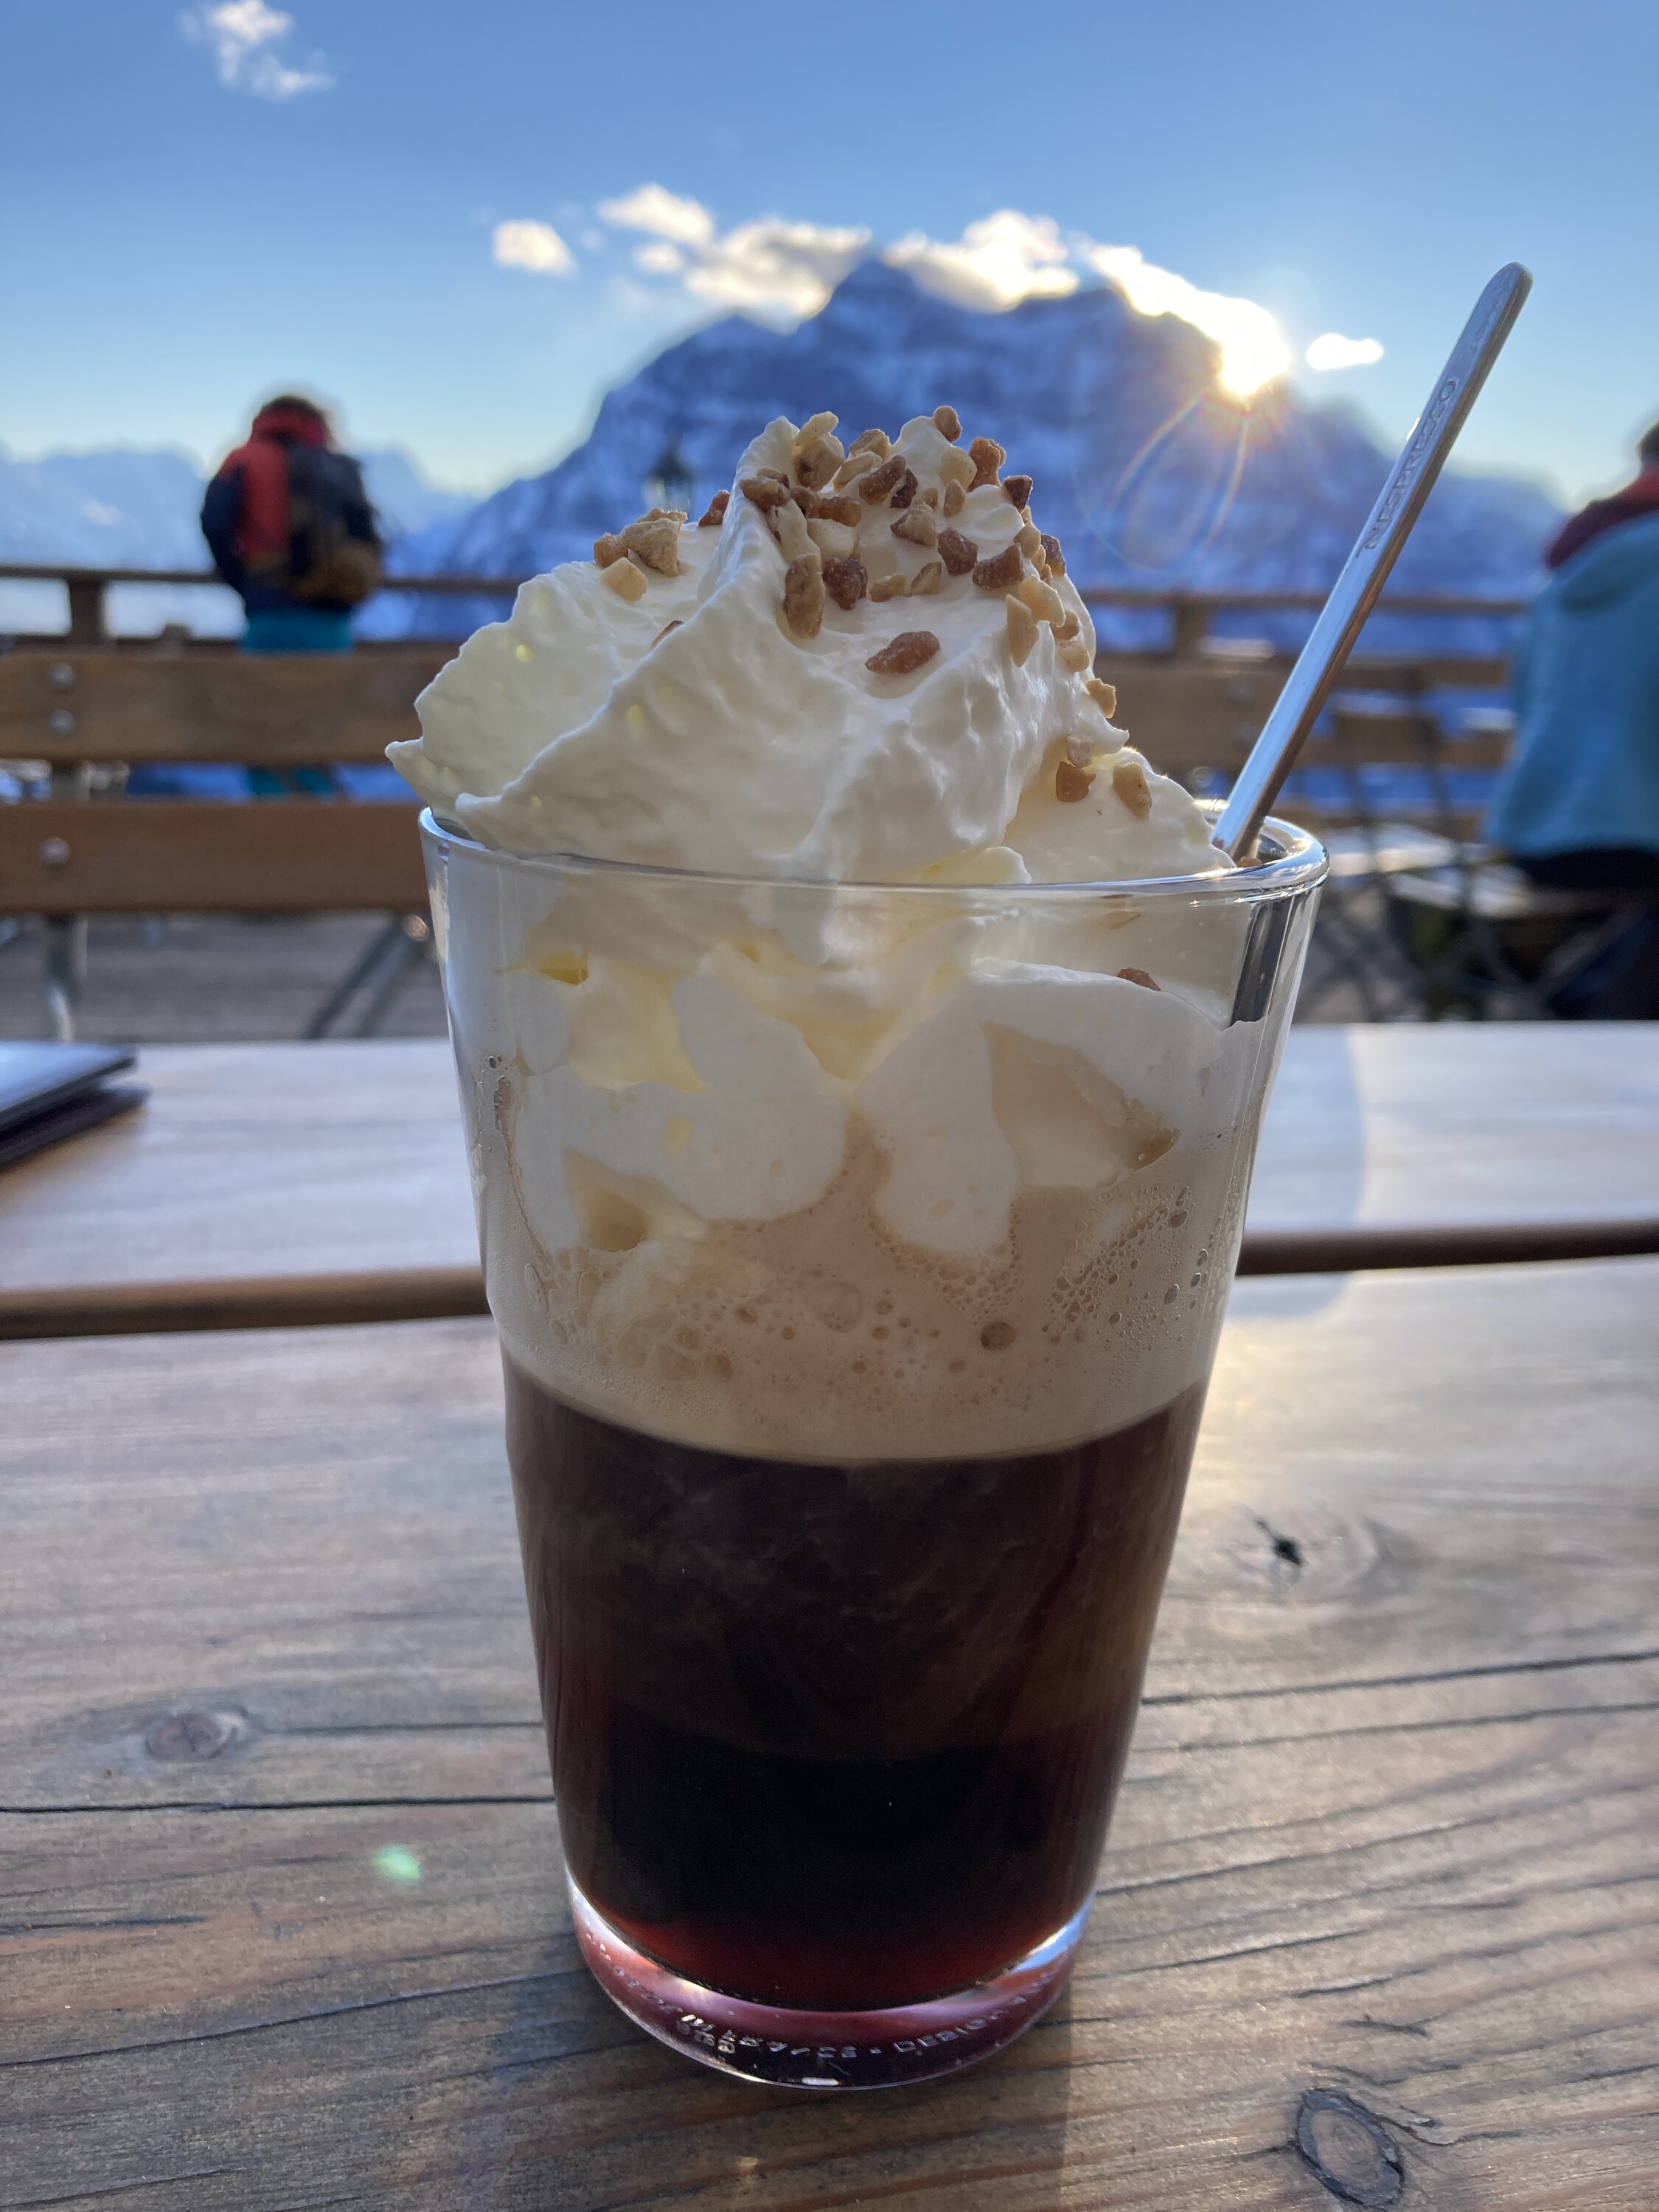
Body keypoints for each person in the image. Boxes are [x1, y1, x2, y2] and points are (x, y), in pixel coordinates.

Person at [1489, 421, 1659, 1016]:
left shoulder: (1575, 562)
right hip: (1636, 843)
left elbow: (1523, 698)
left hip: (1532, 828)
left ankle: (1578, 1006)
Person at [201, 394, 383, 654]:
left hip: (270, 604)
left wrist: (241, 580)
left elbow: (214, 523)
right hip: (333, 607)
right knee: (330, 680)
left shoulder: (246, 458)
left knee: (264, 681)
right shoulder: (335, 464)